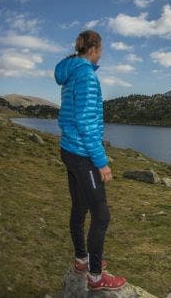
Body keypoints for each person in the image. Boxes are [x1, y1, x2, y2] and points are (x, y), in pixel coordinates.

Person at [54, 30, 126, 291]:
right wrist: (101, 162)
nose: (102, 53)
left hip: (69, 150)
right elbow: (86, 123)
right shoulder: (85, 75)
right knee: (101, 215)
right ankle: (95, 278)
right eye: (101, 48)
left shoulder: (70, 73)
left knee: (80, 207)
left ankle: (81, 260)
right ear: (94, 49)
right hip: (83, 155)